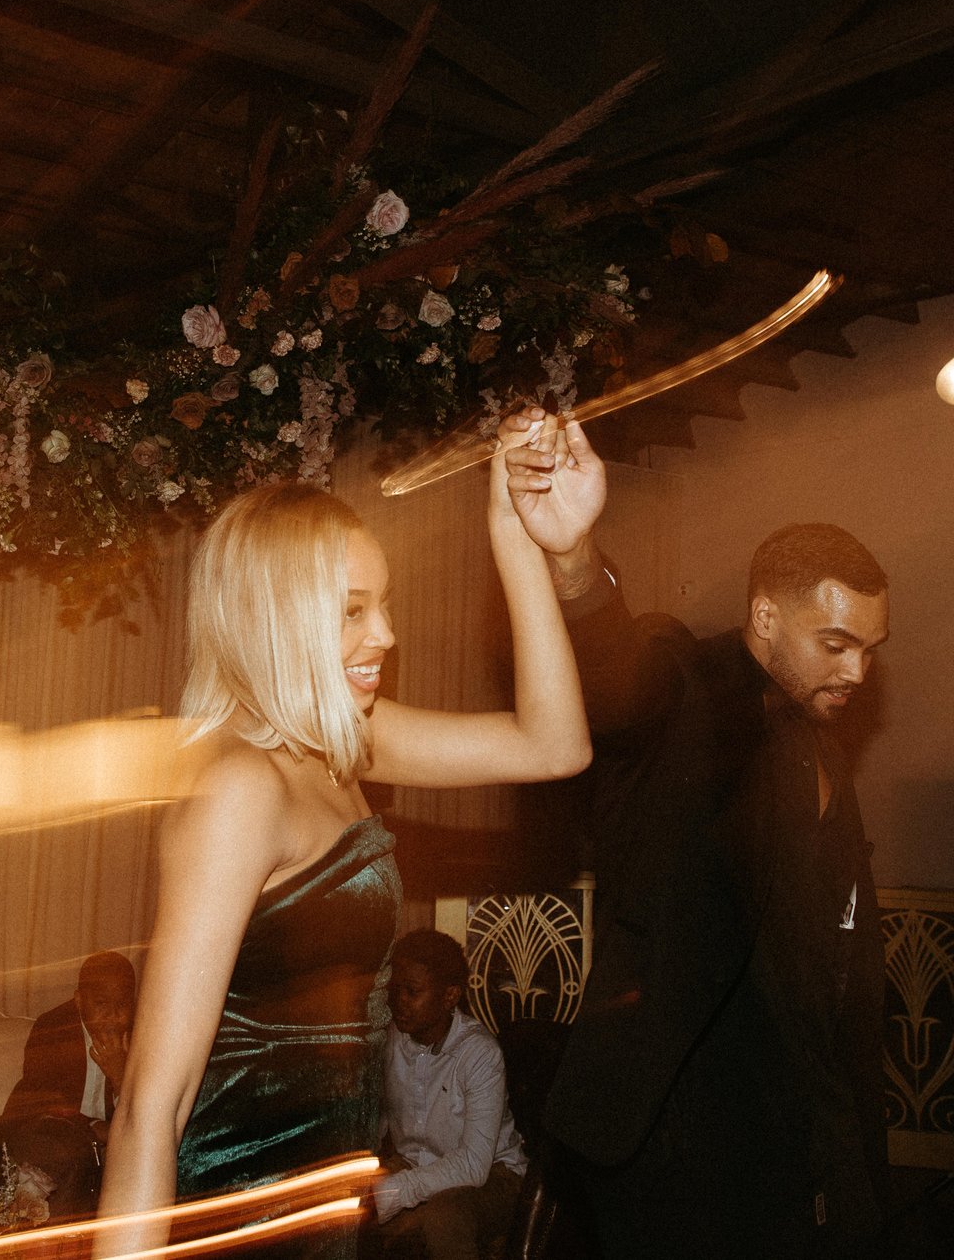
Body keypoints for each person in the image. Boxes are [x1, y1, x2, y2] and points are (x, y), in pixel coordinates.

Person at [97, 411, 599, 1257]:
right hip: (240, 1218)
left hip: (326, 1199)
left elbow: (556, 745)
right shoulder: (240, 787)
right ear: (276, 620)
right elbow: (154, 1100)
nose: (388, 636)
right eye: (353, 611)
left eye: (386, 604)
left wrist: (512, 531)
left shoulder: (344, 743)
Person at [507, 440, 893, 1259]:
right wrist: (573, 555)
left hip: (801, 1129)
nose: (858, 669)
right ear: (764, 617)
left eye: (870, 647)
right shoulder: (685, 684)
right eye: (835, 643)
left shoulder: (820, 734)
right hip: (672, 1135)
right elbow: (612, 673)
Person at [368, 930, 527, 1260]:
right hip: (417, 1166)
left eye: (412, 992)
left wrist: (397, 1191)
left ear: (450, 996)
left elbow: (473, 1165)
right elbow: (381, 1124)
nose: (399, 1001)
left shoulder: (479, 1054)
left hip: (494, 1176)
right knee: (346, 1214)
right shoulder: (392, 1040)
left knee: (444, 1217)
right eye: (395, 989)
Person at [0, 950, 139, 1219]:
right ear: (80, 1000)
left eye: (122, 1005)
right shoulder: (54, 1028)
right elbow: (45, 1106)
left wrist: (120, 1075)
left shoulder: (142, 1036)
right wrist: (95, 1128)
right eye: (101, 1004)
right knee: (69, 1157)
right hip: (38, 1132)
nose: (112, 1016)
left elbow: (145, 1117)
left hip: (104, 1150)